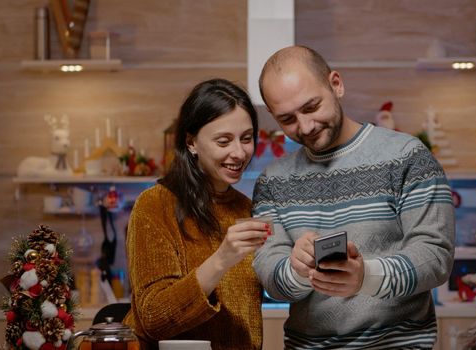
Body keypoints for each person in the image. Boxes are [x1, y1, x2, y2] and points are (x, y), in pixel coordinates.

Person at [252, 46, 455, 349]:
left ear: (336, 84)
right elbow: (270, 274)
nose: (305, 127)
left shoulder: (406, 156)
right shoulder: (272, 181)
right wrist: (296, 271)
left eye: (311, 107)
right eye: (288, 119)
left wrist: (366, 277)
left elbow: (436, 255)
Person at [123, 78, 270, 350]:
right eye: (223, 141)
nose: (239, 152)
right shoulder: (155, 205)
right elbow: (154, 318)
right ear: (191, 142)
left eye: (246, 139)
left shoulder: (247, 207)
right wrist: (222, 258)